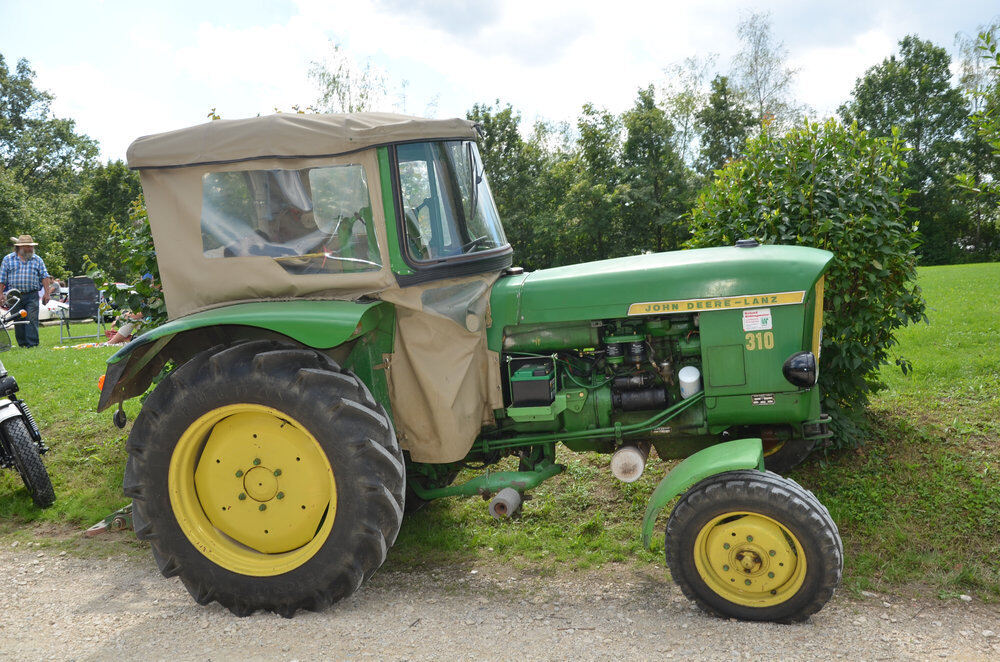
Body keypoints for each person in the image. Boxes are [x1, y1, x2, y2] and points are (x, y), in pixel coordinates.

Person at [0, 234, 52, 348]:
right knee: (18, 320)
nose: (30, 249)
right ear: (20, 247)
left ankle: (32, 345)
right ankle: (22, 344)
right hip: (14, 297)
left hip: (32, 295)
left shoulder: (37, 259)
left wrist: (47, 293)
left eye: (31, 246)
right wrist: (0, 294)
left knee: (32, 319)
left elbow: (45, 276)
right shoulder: (8, 259)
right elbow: (2, 279)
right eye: (27, 247)